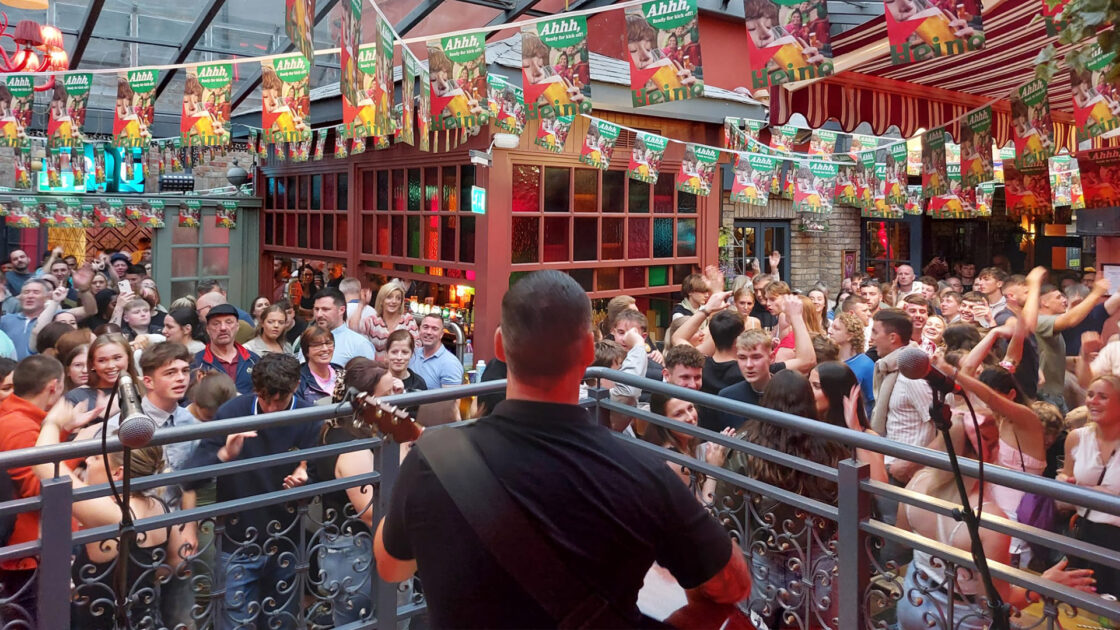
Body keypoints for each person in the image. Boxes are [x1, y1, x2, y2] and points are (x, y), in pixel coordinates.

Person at [374, 270, 750, 628]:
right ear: (589, 350)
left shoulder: (432, 462)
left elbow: (392, 567)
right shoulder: (643, 473)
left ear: (500, 347)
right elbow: (734, 585)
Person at [898, 420, 1096, 628]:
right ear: (993, 451)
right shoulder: (989, 520)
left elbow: (902, 538)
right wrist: (1046, 584)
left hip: (912, 600)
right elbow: (997, 604)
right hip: (955, 619)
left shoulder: (918, 481)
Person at [184, 353, 320, 629]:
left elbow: (321, 473)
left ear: (294, 387)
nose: (270, 408)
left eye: (278, 400)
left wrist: (307, 478)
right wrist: (223, 454)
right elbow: (190, 477)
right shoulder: (233, 412)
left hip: (286, 540)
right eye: (264, 398)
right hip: (237, 543)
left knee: (282, 622)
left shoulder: (309, 417)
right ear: (254, 389)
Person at [717, 369, 847, 627]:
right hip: (813, 555)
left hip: (761, 555)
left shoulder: (746, 443)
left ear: (767, 401)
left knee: (755, 621)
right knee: (803, 621)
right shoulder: (831, 444)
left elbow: (727, 509)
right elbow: (839, 503)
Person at [32, 398, 172, 629]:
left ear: (117, 472)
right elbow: (174, 560)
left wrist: (53, 423)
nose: (88, 460)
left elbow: (45, 466)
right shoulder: (158, 505)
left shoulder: (113, 514)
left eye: (96, 458)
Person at [313, 359, 400, 625]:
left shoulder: (354, 429)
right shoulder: (351, 445)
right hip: (357, 552)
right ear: (364, 401)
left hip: (354, 547)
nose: (394, 400)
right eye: (387, 395)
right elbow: (372, 513)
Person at [0, 355, 71, 625]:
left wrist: (63, 431)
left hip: (33, 548)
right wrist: (79, 451)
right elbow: (37, 487)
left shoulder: (19, 418)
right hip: (27, 553)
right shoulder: (19, 426)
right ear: (53, 387)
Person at [1060, 374, 1120, 597]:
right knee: (1085, 604)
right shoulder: (1076, 438)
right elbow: (1063, 492)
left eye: (1102, 397)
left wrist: (1087, 492)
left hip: (1117, 538)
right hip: (1085, 532)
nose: (1092, 401)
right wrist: (1064, 485)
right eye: (1091, 394)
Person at [64, 333, 139, 422]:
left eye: (117, 358)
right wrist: (101, 416)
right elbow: (71, 435)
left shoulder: (145, 387)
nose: (110, 365)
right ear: (93, 364)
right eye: (102, 360)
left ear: (129, 358)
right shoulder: (76, 397)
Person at [192, 303, 261, 395]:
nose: (223, 328)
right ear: (208, 329)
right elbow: (187, 400)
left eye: (229, 322)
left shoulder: (253, 360)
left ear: (237, 326)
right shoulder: (196, 363)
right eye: (216, 324)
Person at [308, 288, 376, 366]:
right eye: (316, 309)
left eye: (325, 309)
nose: (319, 314)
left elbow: (368, 376)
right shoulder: (308, 338)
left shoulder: (359, 344)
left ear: (341, 310)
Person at [351, 280, 419, 353]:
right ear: (381, 300)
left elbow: (417, 345)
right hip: (377, 364)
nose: (394, 301)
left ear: (401, 302)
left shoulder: (407, 319)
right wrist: (361, 304)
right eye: (389, 297)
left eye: (398, 298)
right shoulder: (374, 321)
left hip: (401, 363)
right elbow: (353, 327)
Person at [829, 312, 875, 415]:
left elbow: (871, 401)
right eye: (831, 327)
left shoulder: (866, 364)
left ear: (849, 336)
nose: (830, 331)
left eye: (836, 328)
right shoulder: (828, 358)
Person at [409, 313, 463, 390]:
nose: (429, 332)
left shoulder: (450, 363)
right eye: (425, 327)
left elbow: (452, 401)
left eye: (434, 329)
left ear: (441, 334)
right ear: (419, 330)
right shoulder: (412, 354)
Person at [1, 279, 51, 359]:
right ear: (20, 297)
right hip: (9, 369)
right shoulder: (5, 320)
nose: (30, 296)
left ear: (47, 297)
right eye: (26, 292)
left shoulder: (53, 318)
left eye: (36, 292)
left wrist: (56, 302)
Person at [296, 325, 345, 404]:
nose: (325, 349)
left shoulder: (341, 372)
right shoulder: (298, 379)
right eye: (317, 345)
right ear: (306, 351)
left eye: (328, 343)